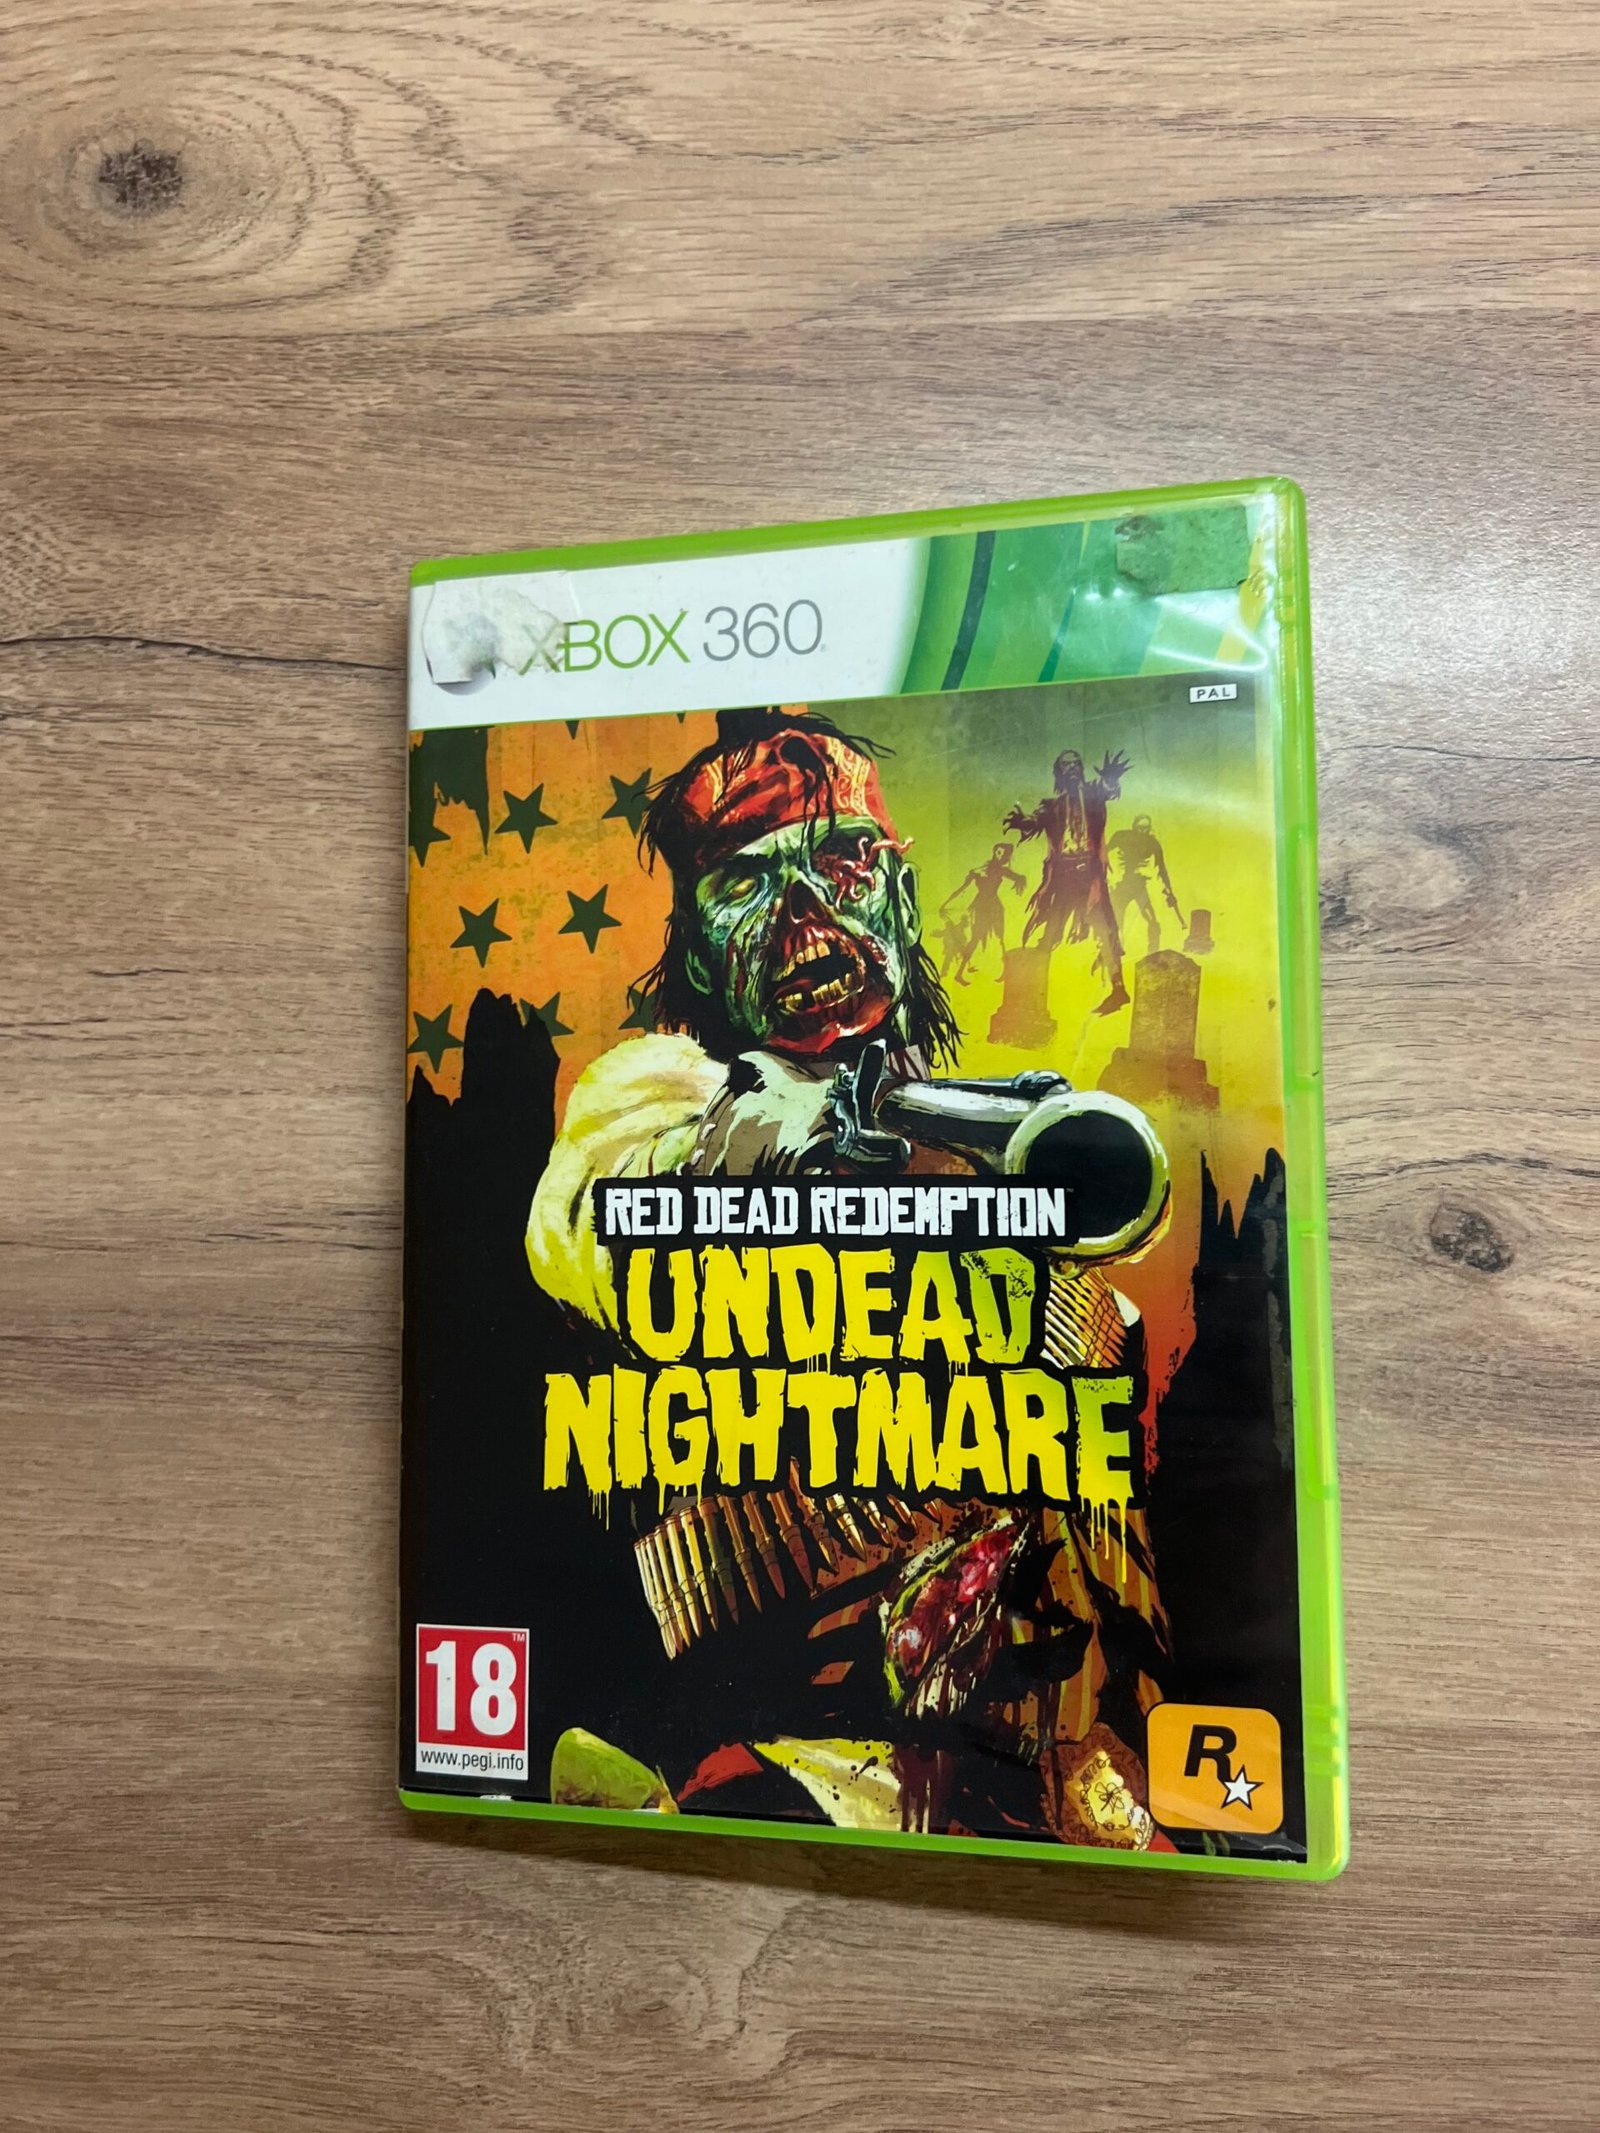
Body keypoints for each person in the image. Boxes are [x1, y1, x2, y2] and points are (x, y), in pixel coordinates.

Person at [525, 708, 1169, 1848]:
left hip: (1052, 1756)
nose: (806, 915)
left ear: (902, 902)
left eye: (844, 861)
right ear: (694, 949)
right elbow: (589, 1226)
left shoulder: (980, 1148)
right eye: (747, 884)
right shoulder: (657, 1095)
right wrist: (758, 1131)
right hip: (797, 1748)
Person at [1005, 749, 1130, 1014]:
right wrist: (1021, 822)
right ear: (1059, 772)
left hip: (1090, 875)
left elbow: (1109, 789)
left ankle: (1119, 990)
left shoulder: (1094, 794)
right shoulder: (1052, 806)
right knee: (1050, 931)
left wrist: (1111, 777)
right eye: (1066, 765)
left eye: (1076, 765)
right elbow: (1034, 821)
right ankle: (1030, 994)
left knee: (1105, 929)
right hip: (1063, 876)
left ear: (1081, 769)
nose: (1072, 769)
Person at [940, 841, 1025, 982]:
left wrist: (1020, 882)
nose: (1001, 856)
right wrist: (945, 904)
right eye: (999, 852)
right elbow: (961, 889)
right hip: (980, 907)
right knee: (975, 939)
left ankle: (1006, 972)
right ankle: (959, 973)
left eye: (1004, 854)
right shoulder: (978, 871)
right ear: (994, 852)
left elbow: (1019, 877)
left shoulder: (1002, 871)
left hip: (995, 907)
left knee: (1000, 939)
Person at [1107, 813, 1183, 952]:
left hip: (1139, 886)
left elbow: (1162, 869)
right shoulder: (1121, 836)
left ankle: (1153, 953)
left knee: (1153, 922)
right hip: (1122, 886)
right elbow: (1104, 853)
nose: (1142, 831)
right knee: (1117, 921)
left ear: (1149, 828)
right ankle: (1113, 951)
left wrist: (1169, 891)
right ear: (1134, 826)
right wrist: (1108, 877)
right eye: (1140, 827)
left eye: (1146, 828)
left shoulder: (1152, 843)